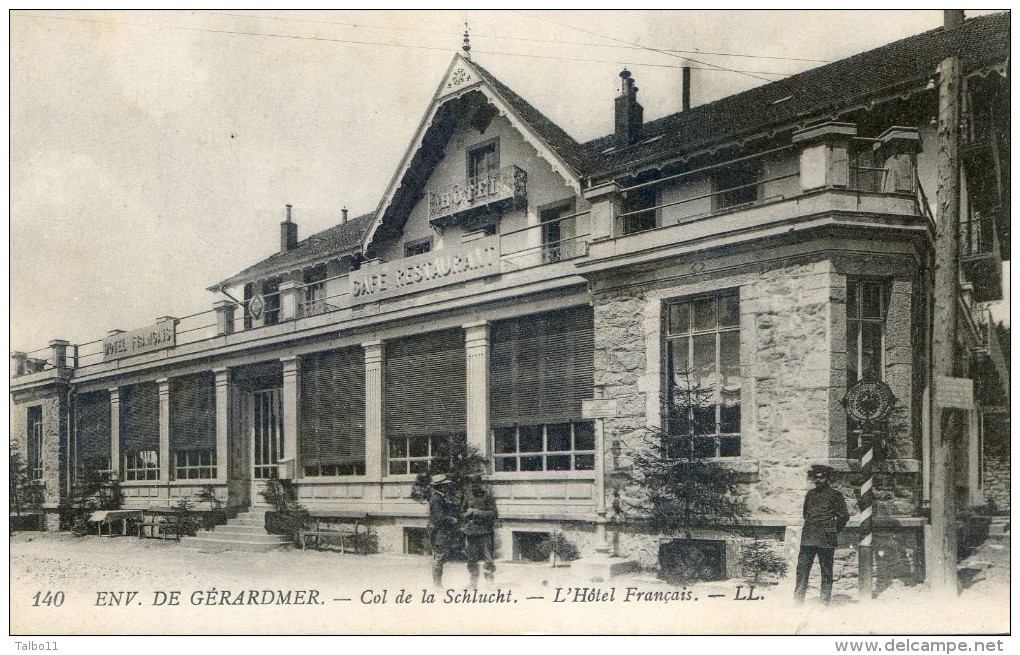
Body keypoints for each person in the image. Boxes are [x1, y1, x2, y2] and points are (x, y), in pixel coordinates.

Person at [794, 464, 850, 606]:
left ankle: (824, 602)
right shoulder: (810, 495)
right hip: (808, 537)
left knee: (826, 571)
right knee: (802, 570)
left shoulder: (835, 495)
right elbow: (805, 514)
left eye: (822, 477)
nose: (818, 480)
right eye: (816, 477)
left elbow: (843, 516)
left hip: (826, 538)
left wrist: (832, 530)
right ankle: (798, 600)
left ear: (828, 478)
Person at [462, 481, 498, 588]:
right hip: (471, 532)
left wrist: (478, 512)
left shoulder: (488, 497)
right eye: (472, 485)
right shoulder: (468, 496)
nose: (474, 487)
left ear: (481, 484)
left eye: (477, 485)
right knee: (471, 558)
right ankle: (473, 582)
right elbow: (461, 512)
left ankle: (489, 581)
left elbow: (494, 514)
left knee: (488, 558)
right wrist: (466, 514)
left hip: (485, 531)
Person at [427, 474, 460, 588]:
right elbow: (439, 518)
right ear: (440, 487)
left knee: (440, 557)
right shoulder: (436, 499)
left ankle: (438, 584)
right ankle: (437, 585)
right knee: (439, 557)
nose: (447, 487)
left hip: (442, 531)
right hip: (439, 531)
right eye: (445, 485)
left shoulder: (440, 498)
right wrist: (452, 519)